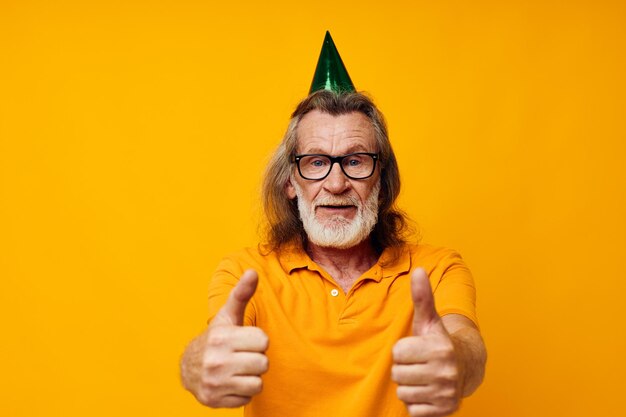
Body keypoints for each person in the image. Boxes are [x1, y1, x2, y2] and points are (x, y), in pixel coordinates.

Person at [180, 33, 486, 417]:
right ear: (291, 181)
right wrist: (196, 365)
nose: (337, 183)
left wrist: (455, 363)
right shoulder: (246, 273)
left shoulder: (438, 269)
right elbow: (211, 345)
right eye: (316, 162)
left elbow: (466, 343)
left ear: (382, 177)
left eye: (356, 161)